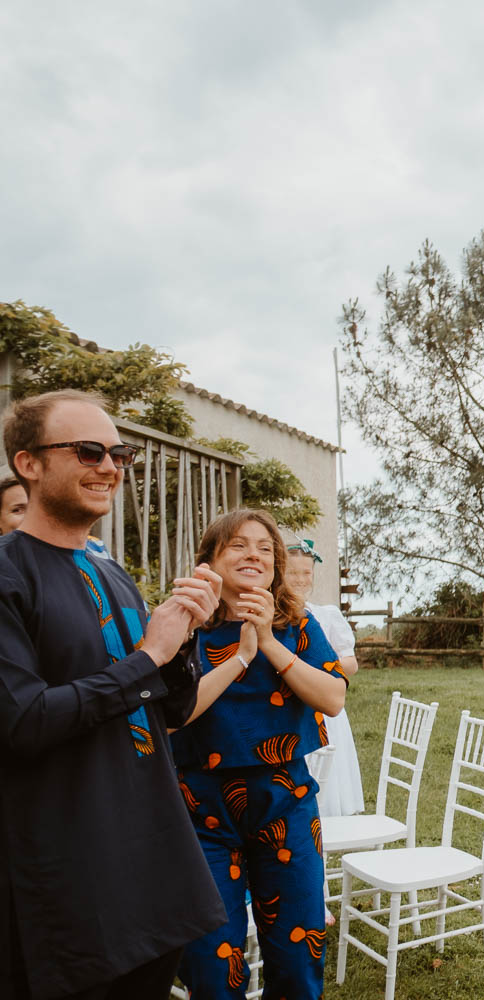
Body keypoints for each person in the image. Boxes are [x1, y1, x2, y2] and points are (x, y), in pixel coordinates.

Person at [0, 389, 225, 1000]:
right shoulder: (8, 574)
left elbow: (169, 710)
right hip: (72, 884)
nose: (109, 466)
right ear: (29, 463)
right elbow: (21, 723)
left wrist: (182, 643)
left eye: (118, 453)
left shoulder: (112, 573)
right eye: (88, 450)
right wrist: (150, 655)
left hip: (154, 873)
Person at [170, 509, 348, 1000]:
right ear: (210, 558)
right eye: (238, 545)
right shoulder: (184, 625)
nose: (253, 555)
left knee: (297, 955)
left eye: (265, 548)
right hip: (200, 814)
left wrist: (267, 642)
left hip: (285, 804)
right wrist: (241, 657)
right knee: (209, 963)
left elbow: (332, 697)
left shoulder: (297, 622)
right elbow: (171, 715)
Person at [283, 536, 364, 818]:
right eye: (293, 572)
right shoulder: (274, 616)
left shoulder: (326, 616)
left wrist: (315, 669)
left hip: (324, 709)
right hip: (286, 711)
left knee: (327, 783)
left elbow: (350, 663)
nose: (301, 579)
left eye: (307, 573)